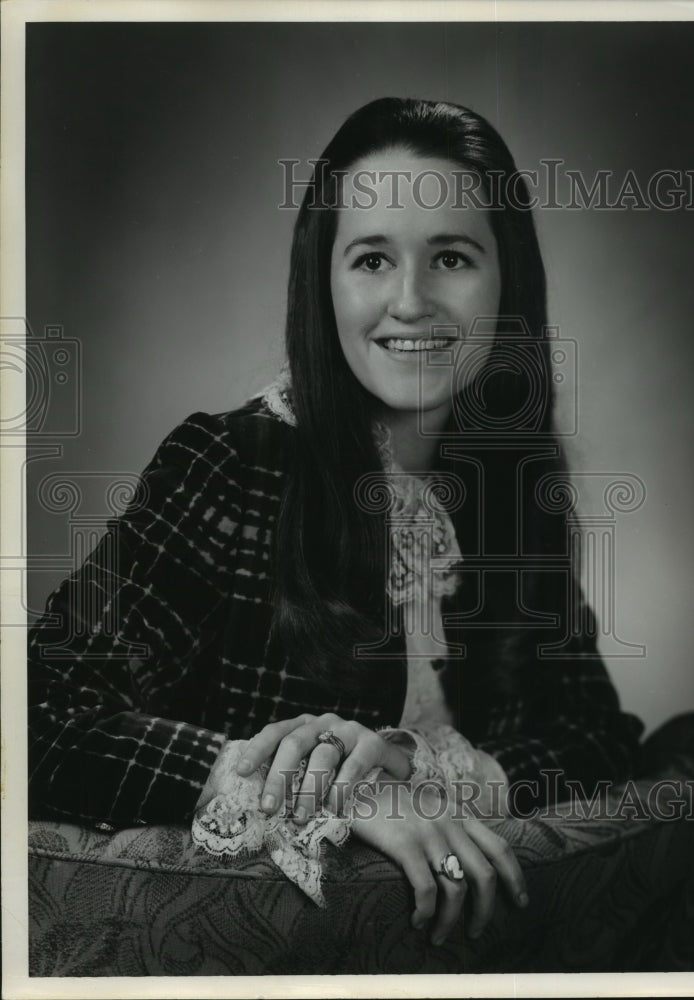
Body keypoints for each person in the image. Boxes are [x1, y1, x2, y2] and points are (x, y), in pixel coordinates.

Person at [28, 97, 644, 945]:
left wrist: (418, 770)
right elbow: (38, 715)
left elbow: (595, 732)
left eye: (453, 257)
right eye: (371, 259)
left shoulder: (509, 480)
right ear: (324, 280)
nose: (411, 300)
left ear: (509, 280)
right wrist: (326, 786)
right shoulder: (226, 463)